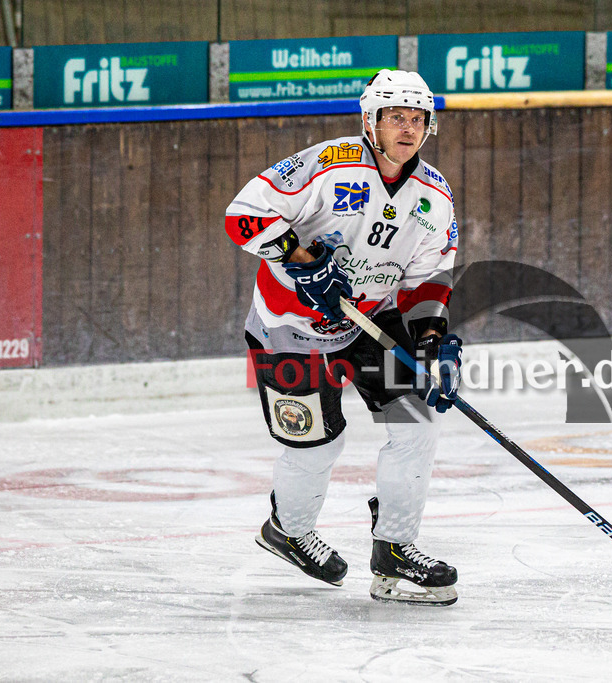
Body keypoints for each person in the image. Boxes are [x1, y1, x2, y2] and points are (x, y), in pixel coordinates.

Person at [224, 69, 463, 606]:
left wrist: (431, 339)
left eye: (418, 119)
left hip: (368, 322)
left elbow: (428, 277)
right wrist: (302, 260)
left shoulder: (435, 195)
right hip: (289, 328)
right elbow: (243, 215)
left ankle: (395, 549)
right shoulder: (328, 165)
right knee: (316, 445)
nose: (408, 128)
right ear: (370, 121)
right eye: (395, 117)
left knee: (418, 419)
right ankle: (288, 529)